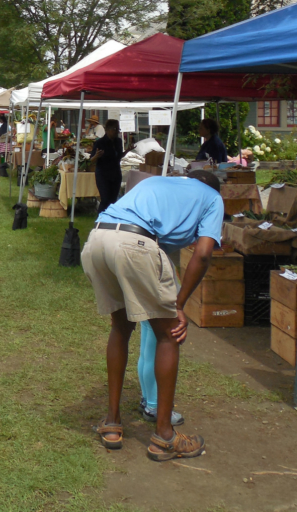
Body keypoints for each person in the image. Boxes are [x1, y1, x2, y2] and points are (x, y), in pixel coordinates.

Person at [81, 171, 223, 461]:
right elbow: (204, 253)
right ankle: (164, 437)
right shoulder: (212, 197)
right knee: (169, 334)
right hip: (134, 243)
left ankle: (111, 423)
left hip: (97, 238)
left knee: (120, 328)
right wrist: (179, 305)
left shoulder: (156, 182)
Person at [87, 119, 127, 213]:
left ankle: (110, 220)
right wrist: (96, 156)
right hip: (103, 174)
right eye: (115, 129)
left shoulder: (118, 141)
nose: (117, 131)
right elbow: (90, 161)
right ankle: (100, 220)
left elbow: (118, 156)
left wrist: (127, 151)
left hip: (115, 173)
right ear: (108, 129)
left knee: (113, 200)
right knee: (105, 199)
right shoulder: (100, 143)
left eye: (118, 129)